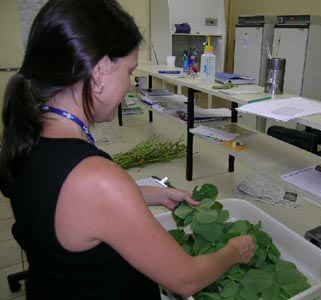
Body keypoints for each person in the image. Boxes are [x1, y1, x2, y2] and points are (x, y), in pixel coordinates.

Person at [0, 1, 256, 299]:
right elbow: (186, 280)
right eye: (129, 71)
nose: (130, 86)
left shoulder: (28, 136)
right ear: (99, 74)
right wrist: (234, 251)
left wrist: (156, 194)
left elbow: (75, 205)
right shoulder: (96, 177)